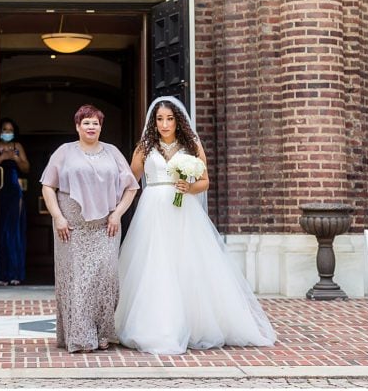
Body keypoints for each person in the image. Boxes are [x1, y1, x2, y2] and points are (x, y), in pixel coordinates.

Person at [115, 97, 277, 354]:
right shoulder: (144, 147)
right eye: (159, 119)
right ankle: (156, 326)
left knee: (187, 263)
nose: (164, 124)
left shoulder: (192, 145)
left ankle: (195, 324)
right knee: (155, 263)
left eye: (169, 119)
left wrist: (189, 187)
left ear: (178, 120)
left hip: (183, 211)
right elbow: (130, 180)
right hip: (153, 210)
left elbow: (205, 181)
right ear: (153, 122)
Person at [40, 105, 139, 353]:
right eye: (86, 123)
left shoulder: (113, 152)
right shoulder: (64, 152)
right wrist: (58, 217)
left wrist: (117, 214)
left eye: (95, 123)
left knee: (105, 277)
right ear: (77, 126)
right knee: (77, 280)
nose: (91, 127)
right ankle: (80, 336)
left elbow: (131, 186)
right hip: (71, 227)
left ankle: (104, 331)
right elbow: (47, 186)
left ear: (101, 126)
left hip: (105, 227)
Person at [0, 118, 30, 286]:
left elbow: (26, 168)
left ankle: (15, 273)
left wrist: (16, 159)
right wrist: (2, 157)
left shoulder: (18, 146)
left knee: (14, 231)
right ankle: (1, 274)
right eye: (4, 129)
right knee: (0, 230)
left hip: (14, 191)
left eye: (10, 130)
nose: (7, 132)